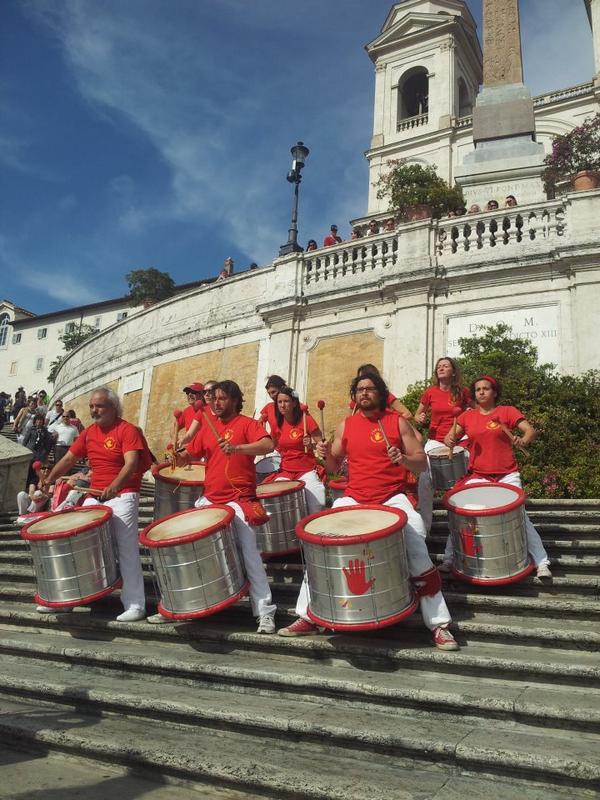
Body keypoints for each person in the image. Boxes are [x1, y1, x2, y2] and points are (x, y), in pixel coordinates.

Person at [279, 370, 459, 650]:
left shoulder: (396, 422)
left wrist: (403, 459)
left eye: (370, 389)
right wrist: (324, 455)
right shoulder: (346, 425)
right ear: (355, 396)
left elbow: (422, 463)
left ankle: (439, 624)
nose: (364, 393)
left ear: (380, 394)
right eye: (360, 389)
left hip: (391, 497)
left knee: (416, 543)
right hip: (355, 497)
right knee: (321, 545)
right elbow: (333, 467)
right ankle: (308, 617)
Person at [176, 380, 277, 633]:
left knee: (250, 555)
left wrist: (238, 448)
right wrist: (180, 455)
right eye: (214, 398)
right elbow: (192, 454)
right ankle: (198, 603)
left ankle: (264, 611)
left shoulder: (247, 424)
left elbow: (268, 445)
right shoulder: (208, 426)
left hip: (239, 498)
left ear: (234, 400)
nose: (216, 403)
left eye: (222, 398)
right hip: (210, 497)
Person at [43, 387, 150, 621]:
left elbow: (131, 463)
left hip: (123, 495)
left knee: (126, 549)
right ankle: (67, 599)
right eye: (92, 406)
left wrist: (116, 485)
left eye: (99, 406)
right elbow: (70, 458)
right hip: (94, 494)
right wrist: (49, 479)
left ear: (114, 408)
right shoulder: (89, 432)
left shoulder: (127, 430)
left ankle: (135, 604)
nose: (94, 410)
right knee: (78, 545)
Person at [443, 375, 551, 579]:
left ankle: (542, 562)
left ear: (494, 392)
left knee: (519, 517)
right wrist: (449, 439)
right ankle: (449, 559)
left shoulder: (507, 411)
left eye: (486, 388)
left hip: (507, 474)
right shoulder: (467, 416)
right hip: (479, 475)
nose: (481, 392)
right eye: (477, 389)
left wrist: (524, 440)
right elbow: (451, 436)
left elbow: (529, 431)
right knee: (462, 516)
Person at [414, 357, 474, 532]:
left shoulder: (462, 392)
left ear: (453, 371)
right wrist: (420, 418)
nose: (441, 368)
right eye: (439, 366)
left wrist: (469, 413)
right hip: (435, 440)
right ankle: (425, 527)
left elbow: (477, 411)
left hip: (458, 441)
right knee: (425, 480)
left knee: (460, 482)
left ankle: (461, 525)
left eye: (445, 366)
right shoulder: (430, 392)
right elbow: (418, 415)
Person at [267, 386, 325, 515]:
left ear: (294, 403)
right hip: (286, 471)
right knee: (277, 503)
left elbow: (322, 445)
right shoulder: (277, 424)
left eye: (286, 401)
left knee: (318, 504)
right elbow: (272, 446)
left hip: (306, 470)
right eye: (279, 402)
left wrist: (311, 445)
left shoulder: (307, 420)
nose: (282, 405)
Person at [348, 364, 412, 419]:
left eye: (363, 377)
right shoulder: (357, 399)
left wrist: (391, 421)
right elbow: (350, 419)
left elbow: (407, 414)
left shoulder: (386, 396)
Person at [170, 382, 204, 447]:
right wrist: (175, 440)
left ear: (202, 394)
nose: (190, 395)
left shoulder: (207, 409)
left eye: (193, 392)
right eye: (187, 392)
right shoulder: (187, 411)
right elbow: (174, 428)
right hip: (190, 450)